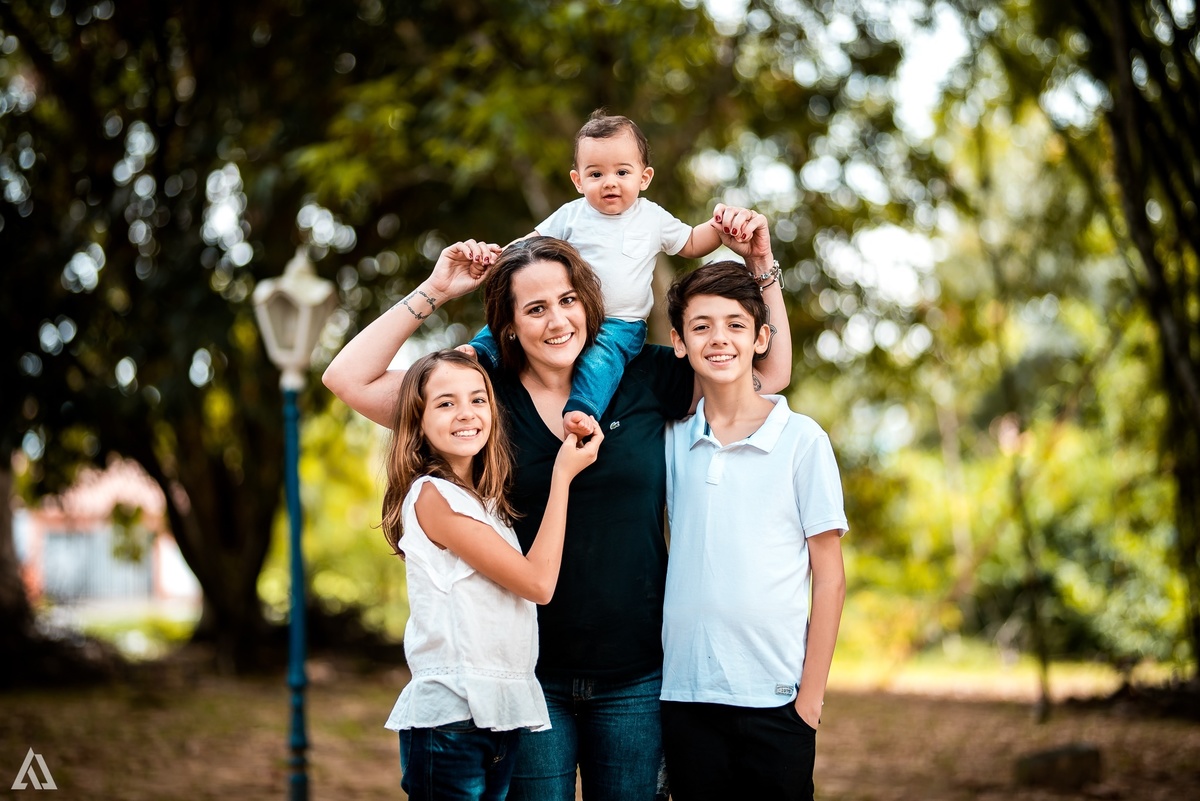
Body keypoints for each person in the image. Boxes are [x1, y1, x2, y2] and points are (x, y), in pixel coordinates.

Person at [323, 208, 789, 801]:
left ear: (590, 302)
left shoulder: (644, 373)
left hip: (637, 674)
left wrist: (760, 263)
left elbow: (771, 372)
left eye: (568, 300)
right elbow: (348, 380)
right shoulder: (480, 397)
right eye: (536, 308)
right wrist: (435, 290)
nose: (558, 320)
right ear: (509, 325)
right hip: (529, 677)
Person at [338, 348, 603, 800]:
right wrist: (562, 478)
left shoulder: (485, 503)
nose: (466, 413)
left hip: (494, 718)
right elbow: (538, 584)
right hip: (451, 723)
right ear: (418, 420)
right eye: (446, 403)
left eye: (478, 399)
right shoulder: (432, 496)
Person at [659, 262, 849, 801]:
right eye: (701, 326)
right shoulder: (672, 438)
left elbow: (830, 578)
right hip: (686, 696)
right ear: (679, 342)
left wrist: (809, 701)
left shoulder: (803, 440)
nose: (719, 338)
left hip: (776, 701)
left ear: (762, 338)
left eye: (736, 325)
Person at [465, 110, 738, 437]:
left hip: (621, 322)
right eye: (596, 174)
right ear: (578, 181)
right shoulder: (571, 215)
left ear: (644, 178)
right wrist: (493, 256)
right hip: (574, 313)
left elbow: (691, 242)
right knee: (514, 316)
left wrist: (721, 227)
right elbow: (528, 244)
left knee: (600, 362)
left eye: (622, 172)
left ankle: (581, 409)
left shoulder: (652, 217)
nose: (610, 182)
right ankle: (478, 352)